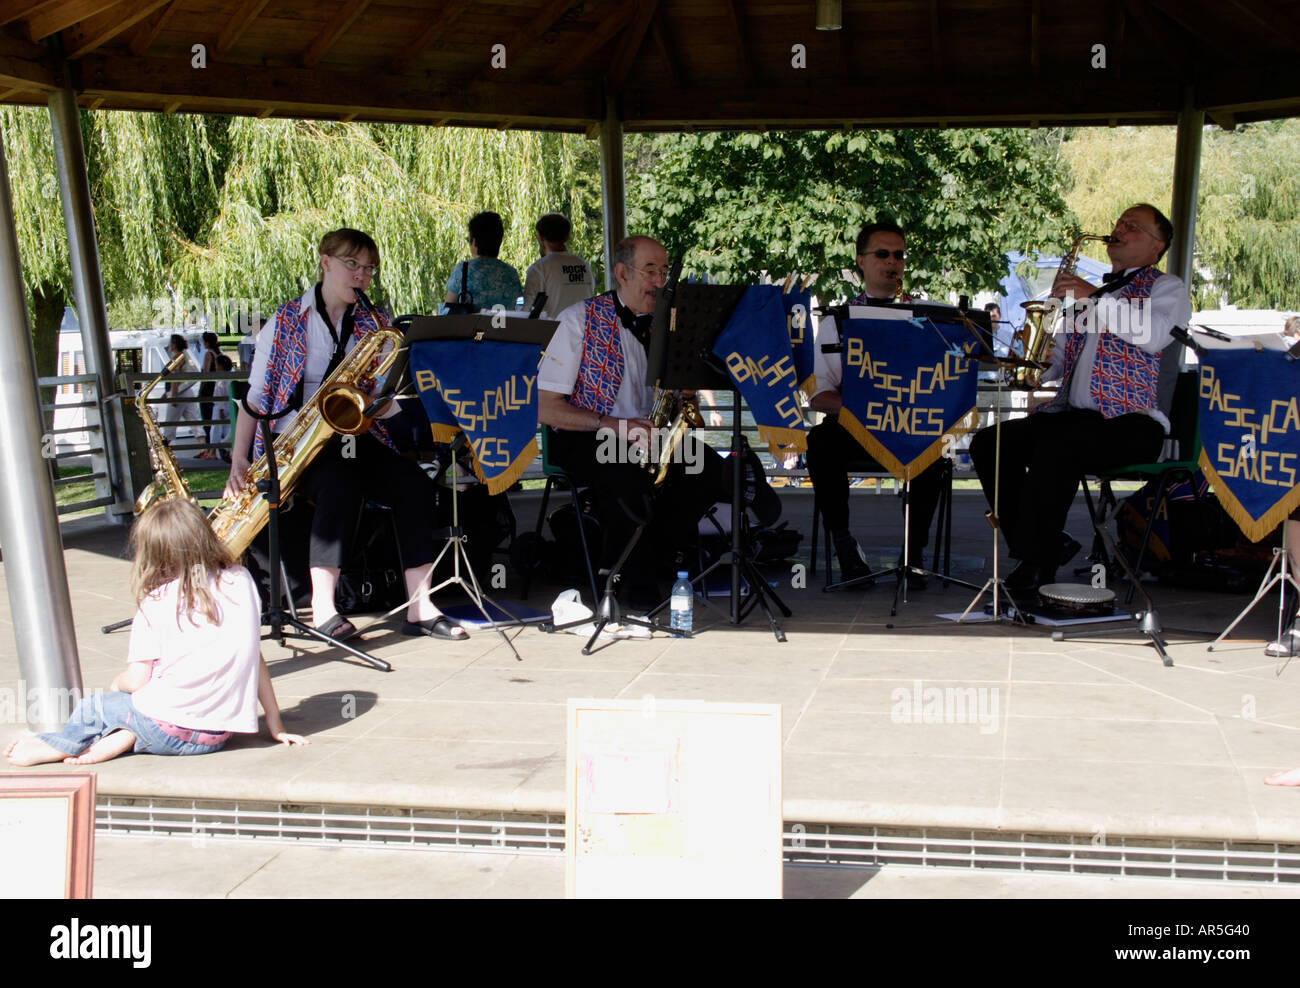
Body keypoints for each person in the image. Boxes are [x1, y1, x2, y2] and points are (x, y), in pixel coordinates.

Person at [224, 228, 468, 641]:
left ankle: (420, 606)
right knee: (341, 480)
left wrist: (383, 401)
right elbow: (255, 400)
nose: (362, 276)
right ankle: (322, 606)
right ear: (325, 262)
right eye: (352, 265)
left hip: (357, 435)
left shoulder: (374, 326)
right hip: (296, 446)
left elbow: (388, 393)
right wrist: (239, 460)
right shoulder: (284, 322)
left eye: (369, 269)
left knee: (415, 484)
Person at [969, 203, 1193, 590]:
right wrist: (1033, 363)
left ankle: (1037, 564)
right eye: (1119, 222)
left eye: (1133, 226)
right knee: (990, 443)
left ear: (1158, 247)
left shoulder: (1166, 287)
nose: (1119, 229)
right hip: (1075, 417)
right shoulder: (1094, 295)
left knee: (1059, 446)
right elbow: (1062, 359)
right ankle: (1045, 545)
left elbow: (1154, 336)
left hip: (1135, 422)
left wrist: (1093, 296)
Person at [537, 236, 759, 609]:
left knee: (707, 471)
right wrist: (612, 425)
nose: (661, 281)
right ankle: (638, 591)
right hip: (585, 436)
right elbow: (544, 408)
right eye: (650, 271)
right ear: (622, 274)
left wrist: (684, 394)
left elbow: (671, 404)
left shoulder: (667, 325)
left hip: (646, 437)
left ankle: (657, 558)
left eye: (664, 272)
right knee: (628, 474)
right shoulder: (577, 321)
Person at [4, 499, 308, 767]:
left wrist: (117, 683)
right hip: (214, 737)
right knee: (142, 711)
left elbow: (137, 680)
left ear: (153, 555)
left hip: (167, 728)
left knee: (94, 708)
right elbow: (253, 657)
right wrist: (274, 721)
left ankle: (55, 746)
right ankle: (130, 734)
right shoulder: (241, 580)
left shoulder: (156, 603)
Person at [806, 220, 946, 587]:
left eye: (898, 255)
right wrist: (865, 410)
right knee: (820, 443)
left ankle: (913, 557)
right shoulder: (836, 321)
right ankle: (845, 549)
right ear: (861, 263)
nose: (892, 262)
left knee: (935, 452)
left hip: (911, 426)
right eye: (881, 254)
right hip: (856, 427)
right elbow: (820, 395)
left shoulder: (929, 318)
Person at [440, 211, 523, 314]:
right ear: (499, 241)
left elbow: (447, 310)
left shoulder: (463, 270)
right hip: (503, 328)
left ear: (474, 242)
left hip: (472, 329)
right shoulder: (512, 274)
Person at [522, 212, 595, 318]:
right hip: (583, 331)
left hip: (553, 332)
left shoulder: (539, 269)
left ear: (540, 237)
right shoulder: (584, 265)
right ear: (568, 236)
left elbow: (527, 309)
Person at [160, 333, 201, 442]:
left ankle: (165, 446)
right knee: (193, 419)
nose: (169, 345)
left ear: (174, 344)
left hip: (178, 392)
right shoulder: (185, 355)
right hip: (187, 391)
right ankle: (205, 448)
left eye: (170, 343)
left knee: (170, 422)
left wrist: (172, 395)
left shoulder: (177, 357)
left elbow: (175, 377)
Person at [197, 331, 225, 458]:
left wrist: (201, 390)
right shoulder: (220, 353)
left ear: (207, 343)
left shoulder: (209, 355)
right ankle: (213, 449)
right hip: (218, 388)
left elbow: (206, 375)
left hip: (208, 390)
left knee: (207, 420)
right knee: (216, 420)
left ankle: (210, 450)